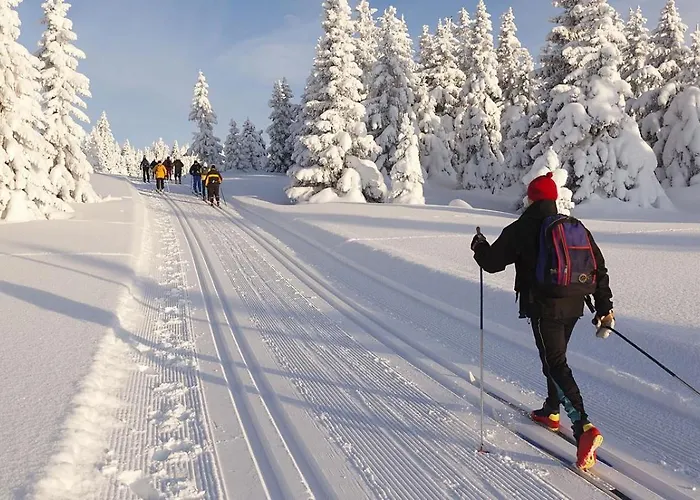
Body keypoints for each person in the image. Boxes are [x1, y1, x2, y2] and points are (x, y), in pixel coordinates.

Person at [470, 172, 614, 471]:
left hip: (543, 306)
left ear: (531, 198)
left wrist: (479, 246)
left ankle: (584, 428)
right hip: (574, 305)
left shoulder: (522, 228)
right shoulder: (573, 226)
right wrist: (604, 307)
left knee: (555, 363)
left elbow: (492, 263)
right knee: (554, 358)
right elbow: (598, 268)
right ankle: (551, 410)